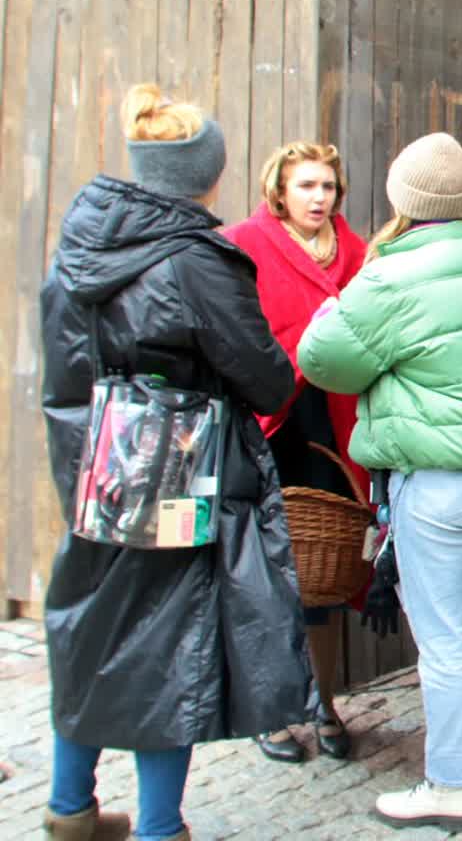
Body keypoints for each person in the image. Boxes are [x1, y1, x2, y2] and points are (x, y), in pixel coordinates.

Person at [40, 84, 311, 841]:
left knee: (90, 634)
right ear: (206, 174)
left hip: (97, 471)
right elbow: (266, 378)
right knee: (166, 647)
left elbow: (64, 374)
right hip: (175, 477)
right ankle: (160, 829)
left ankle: (69, 810)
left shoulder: (78, 248)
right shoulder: (196, 260)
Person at [298, 133, 462, 833]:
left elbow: (323, 360)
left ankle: (448, 786)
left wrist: (328, 311)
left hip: (434, 481)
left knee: (443, 643)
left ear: (401, 198)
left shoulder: (392, 273)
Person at [225, 141, 369, 763]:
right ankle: (271, 710)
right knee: (265, 575)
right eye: (306, 185)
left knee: (325, 574)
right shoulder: (244, 245)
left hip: (331, 432)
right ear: (279, 192)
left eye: (327, 186)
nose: (318, 197)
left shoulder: (357, 253)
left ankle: (325, 701)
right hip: (269, 426)